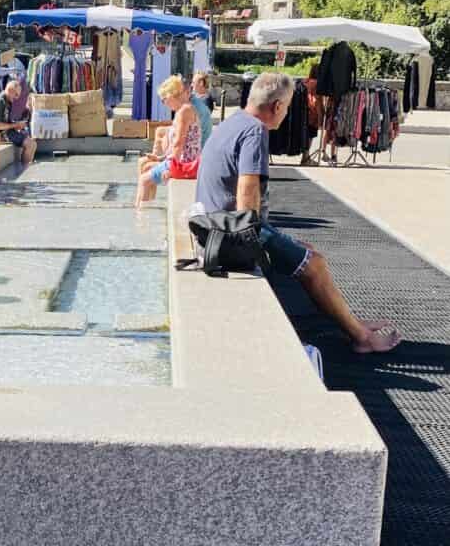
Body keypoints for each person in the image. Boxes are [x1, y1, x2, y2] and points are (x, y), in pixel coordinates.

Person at [195, 72, 400, 354]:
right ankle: (361, 337)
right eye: (289, 106)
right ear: (277, 106)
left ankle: (353, 322)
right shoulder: (255, 131)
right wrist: (256, 248)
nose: (288, 112)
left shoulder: (233, 122)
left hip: (211, 223)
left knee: (307, 251)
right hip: (229, 231)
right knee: (313, 264)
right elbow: (247, 195)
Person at [136, 75, 201, 206]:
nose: (164, 103)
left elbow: (179, 143)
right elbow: (178, 144)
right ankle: (147, 205)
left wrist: (172, 168)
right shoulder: (183, 110)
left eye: (163, 99)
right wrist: (160, 158)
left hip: (185, 163)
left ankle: (141, 218)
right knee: (145, 167)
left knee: (144, 180)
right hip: (183, 159)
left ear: (172, 96)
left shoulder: (184, 111)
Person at [0, 80, 37, 166]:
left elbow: (5, 121)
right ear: (10, 90)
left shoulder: (7, 100)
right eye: (16, 94)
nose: (17, 98)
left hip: (6, 132)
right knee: (30, 144)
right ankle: (25, 168)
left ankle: (25, 165)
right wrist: (15, 125)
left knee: (32, 142)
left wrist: (17, 125)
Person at [189, 74, 214, 147]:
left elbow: (200, 125)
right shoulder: (194, 97)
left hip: (200, 143)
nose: (191, 85)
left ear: (201, 83)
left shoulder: (206, 101)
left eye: (193, 82)